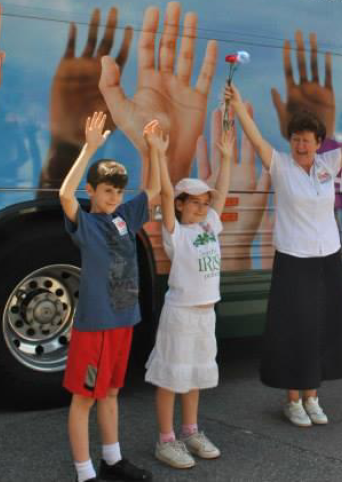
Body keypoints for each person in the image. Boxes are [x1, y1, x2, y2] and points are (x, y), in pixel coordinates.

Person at [224, 77, 342, 427]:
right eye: (296, 139)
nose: (301, 145)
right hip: (293, 261)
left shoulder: (328, 164)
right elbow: (256, 138)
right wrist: (238, 105)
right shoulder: (280, 166)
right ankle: (293, 400)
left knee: (321, 328)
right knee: (294, 330)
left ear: (319, 143)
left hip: (327, 261)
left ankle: (313, 396)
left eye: (307, 140)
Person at [59, 111, 159, 482]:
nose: (114, 196)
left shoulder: (124, 219)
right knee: (84, 398)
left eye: (118, 191)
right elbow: (64, 194)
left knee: (112, 392)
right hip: (95, 326)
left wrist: (156, 152)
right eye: (107, 190)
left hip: (123, 321)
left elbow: (157, 192)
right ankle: (85, 474)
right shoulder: (86, 223)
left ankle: (112, 461)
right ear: (93, 192)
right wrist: (89, 148)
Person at [145, 124, 233, 470]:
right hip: (180, 315)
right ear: (181, 205)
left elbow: (222, 194)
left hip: (205, 315)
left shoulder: (210, 224)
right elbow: (166, 194)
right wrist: (159, 154)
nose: (202, 207)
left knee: (194, 375)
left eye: (204, 202)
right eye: (194, 202)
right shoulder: (176, 233)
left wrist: (225, 159)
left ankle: (191, 431)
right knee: (171, 377)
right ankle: (166, 441)